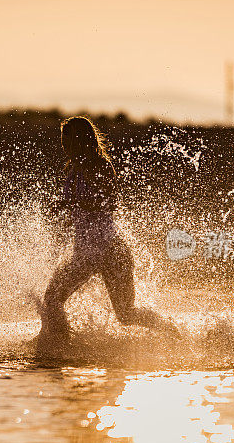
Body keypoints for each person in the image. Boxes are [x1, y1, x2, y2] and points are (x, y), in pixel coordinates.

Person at [38, 116, 175, 352]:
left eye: (68, 138)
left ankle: (171, 332)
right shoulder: (72, 167)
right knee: (52, 299)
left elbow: (109, 202)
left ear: (81, 140)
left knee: (125, 314)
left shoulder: (98, 165)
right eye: (63, 138)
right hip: (88, 250)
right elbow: (79, 211)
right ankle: (52, 343)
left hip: (109, 248)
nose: (64, 144)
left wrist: (71, 203)